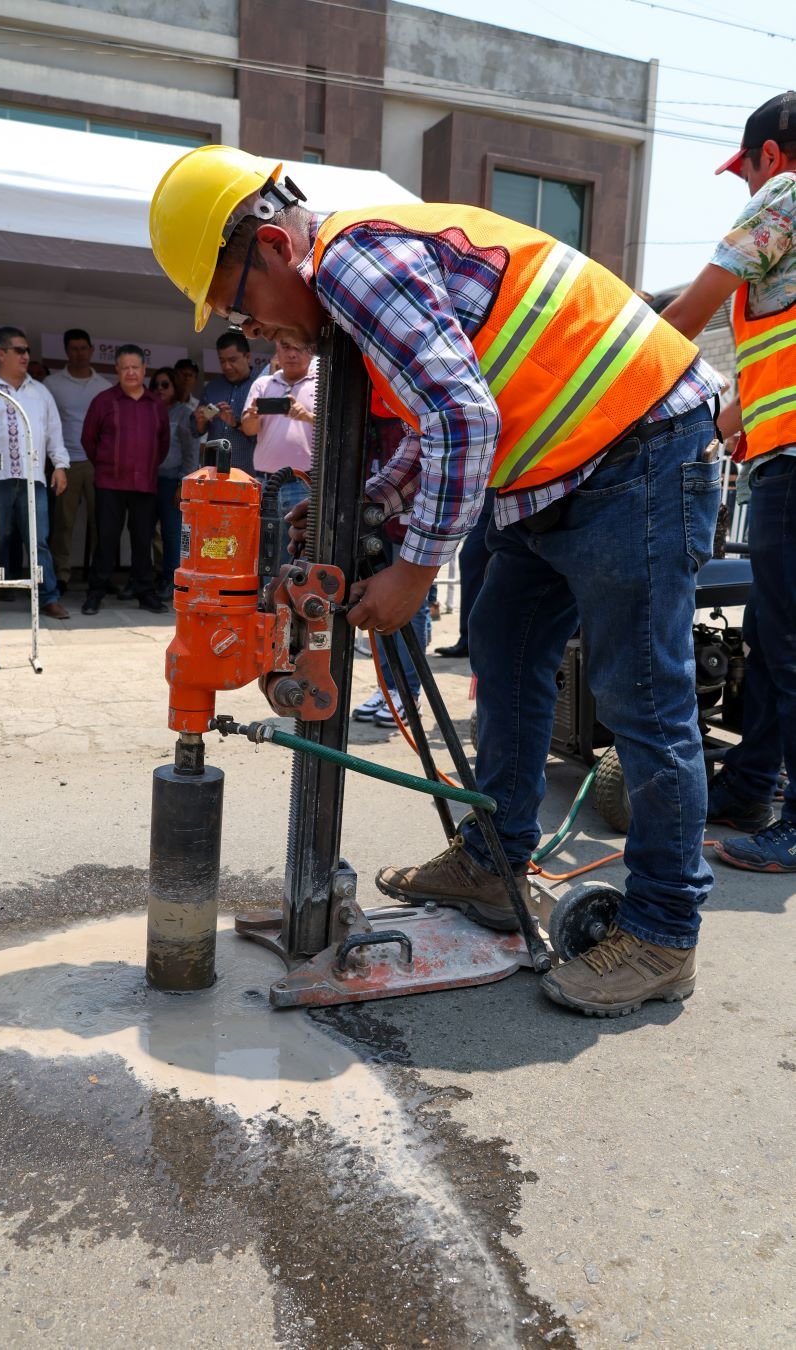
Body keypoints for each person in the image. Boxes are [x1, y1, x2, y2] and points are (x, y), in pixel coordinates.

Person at [150, 146, 728, 1018]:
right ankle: (494, 861)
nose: (254, 330)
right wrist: (376, 501)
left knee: (641, 697)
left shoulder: (347, 262)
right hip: (565, 468)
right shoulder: (360, 268)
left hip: (638, 450)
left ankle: (661, 934)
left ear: (271, 245)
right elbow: (443, 411)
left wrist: (416, 570)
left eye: (241, 304)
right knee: (503, 650)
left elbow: (465, 416)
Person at [662, 91, 796, 874]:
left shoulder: (785, 194)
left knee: (787, 641)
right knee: (770, 638)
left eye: (745, 173)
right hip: (778, 452)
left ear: (769, 158)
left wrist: (620, 365)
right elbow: (770, 366)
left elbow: (689, 314)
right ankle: (751, 787)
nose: (746, 190)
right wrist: (712, 429)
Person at [0, 326, 71, 621]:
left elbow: (53, 431)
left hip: (33, 478)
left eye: (27, 350)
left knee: (38, 541)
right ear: (0, 353)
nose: (26, 356)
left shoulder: (40, 391)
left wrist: (60, 465)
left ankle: (47, 597)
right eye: (19, 350)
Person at [353, 391, 431, 728]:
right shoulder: (366, 400)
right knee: (377, 604)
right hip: (376, 512)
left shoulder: (407, 394)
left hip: (410, 515)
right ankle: (388, 687)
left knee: (409, 606)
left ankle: (407, 691)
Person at [80, 344, 169, 615]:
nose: (131, 372)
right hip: (110, 483)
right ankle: (96, 591)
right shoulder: (104, 401)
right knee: (106, 540)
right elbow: (89, 440)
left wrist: (146, 464)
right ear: (117, 370)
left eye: (136, 367)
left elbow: (162, 443)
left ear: (144, 370)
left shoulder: (156, 404)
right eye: (125, 367)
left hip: (145, 483)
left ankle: (145, 592)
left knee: (143, 540)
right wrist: (108, 465)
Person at [45, 329, 111, 593]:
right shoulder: (52, 384)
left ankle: (99, 577)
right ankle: (60, 576)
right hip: (66, 462)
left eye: (84, 348)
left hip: (96, 463)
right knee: (63, 524)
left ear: (92, 350)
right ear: (66, 351)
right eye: (74, 348)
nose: (79, 353)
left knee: (101, 523)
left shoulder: (104, 387)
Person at [241, 337, 314, 564]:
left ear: (310, 350)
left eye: (298, 346)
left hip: (303, 484)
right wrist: (253, 416)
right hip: (265, 484)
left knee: (299, 555)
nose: (292, 354)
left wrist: (308, 417)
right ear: (276, 351)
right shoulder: (262, 384)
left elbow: (337, 428)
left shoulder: (322, 383)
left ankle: (290, 599)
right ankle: (266, 599)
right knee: (264, 552)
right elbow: (249, 429)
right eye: (286, 347)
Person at [149, 366, 199, 600]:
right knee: (145, 533)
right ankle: (149, 579)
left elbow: (191, 451)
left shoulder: (184, 413)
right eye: (156, 385)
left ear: (175, 387)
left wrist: (183, 482)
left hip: (172, 481)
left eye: (165, 384)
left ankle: (172, 581)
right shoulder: (148, 409)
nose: (160, 389)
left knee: (172, 534)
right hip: (148, 480)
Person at [435, 489, 495, 660]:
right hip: (490, 503)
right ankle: (468, 641)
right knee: (470, 556)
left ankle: (483, 641)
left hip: (523, 499)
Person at [196, 331, 259, 474]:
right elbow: (196, 431)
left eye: (232, 360)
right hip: (212, 473)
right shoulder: (213, 387)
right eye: (222, 361)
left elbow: (266, 434)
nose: (227, 366)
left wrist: (235, 423)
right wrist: (201, 420)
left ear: (247, 357)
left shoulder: (261, 386)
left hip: (248, 475)